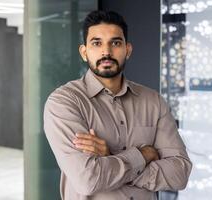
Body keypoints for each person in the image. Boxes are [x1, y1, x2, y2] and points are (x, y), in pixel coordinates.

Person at [44, 10, 192, 200]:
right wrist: (143, 155)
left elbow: (180, 174)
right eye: (96, 43)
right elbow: (88, 179)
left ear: (127, 50)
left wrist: (110, 155)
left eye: (115, 43)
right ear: (84, 52)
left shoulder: (153, 101)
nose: (106, 51)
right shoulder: (65, 102)